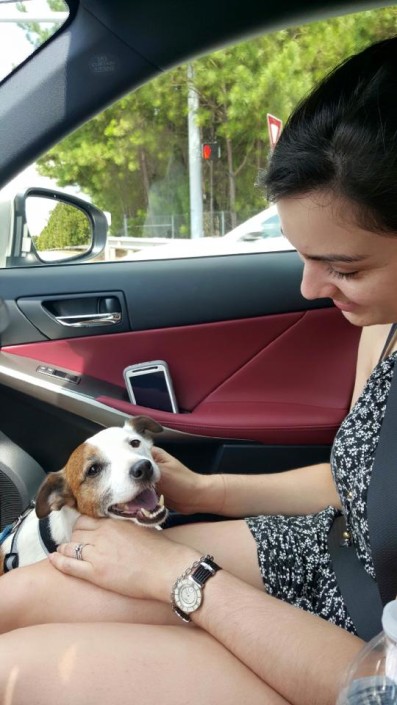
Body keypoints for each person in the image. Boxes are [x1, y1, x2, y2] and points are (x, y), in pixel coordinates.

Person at [0, 34, 397, 705]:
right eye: (303, 255)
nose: (307, 288)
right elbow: (349, 479)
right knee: (22, 594)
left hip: (359, 652)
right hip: (329, 553)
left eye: (343, 266)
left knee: (14, 667)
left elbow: (375, 686)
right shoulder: (383, 323)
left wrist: (183, 576)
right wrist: (206, 491)